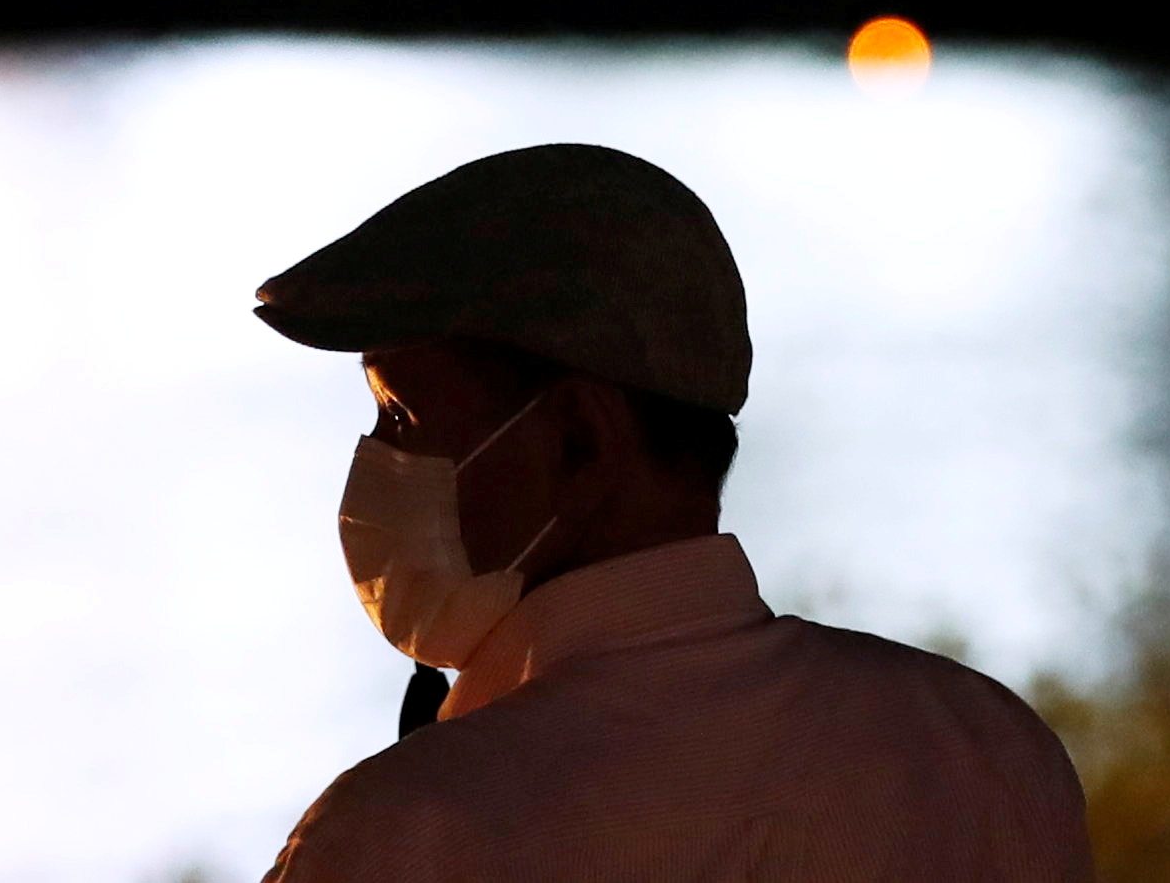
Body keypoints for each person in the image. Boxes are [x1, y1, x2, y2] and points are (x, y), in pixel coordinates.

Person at [253, 143, 1094, 882]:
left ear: (582, 438)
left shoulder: (412, 833)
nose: (378, 459)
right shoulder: (984, 750)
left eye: (402, 416)